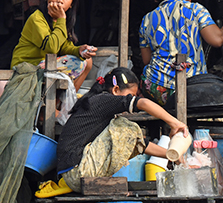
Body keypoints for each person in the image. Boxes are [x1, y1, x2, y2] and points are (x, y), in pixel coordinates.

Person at [36, 67, 188, 196]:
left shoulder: (99, 105)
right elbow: (143, 104)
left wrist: (172, 155)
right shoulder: (102, 101)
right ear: (116, 90)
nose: (132, 98)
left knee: (126, 130)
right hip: (77, 174)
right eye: (131, 95)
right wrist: (175, 123)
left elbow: (141, 144)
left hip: (73, 174)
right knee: (128, 128)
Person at [138, 0, 223, 108]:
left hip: (156, 89)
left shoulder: (147, 19)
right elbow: (218, 40)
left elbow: (147, 60)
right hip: (191, 89)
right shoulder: (195, 9)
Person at [10, 0, 96, 89]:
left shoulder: (61, 22)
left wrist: (79, 50)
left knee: (87, 61)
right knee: (75, 63)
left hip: (45, 66)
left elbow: (64, 47)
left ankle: (63, 104)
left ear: (71, 4)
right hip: (27, 67)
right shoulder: (37, 18)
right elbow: (52, 47)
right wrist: (61, 19)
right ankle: (57, 104)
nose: (60, 0)